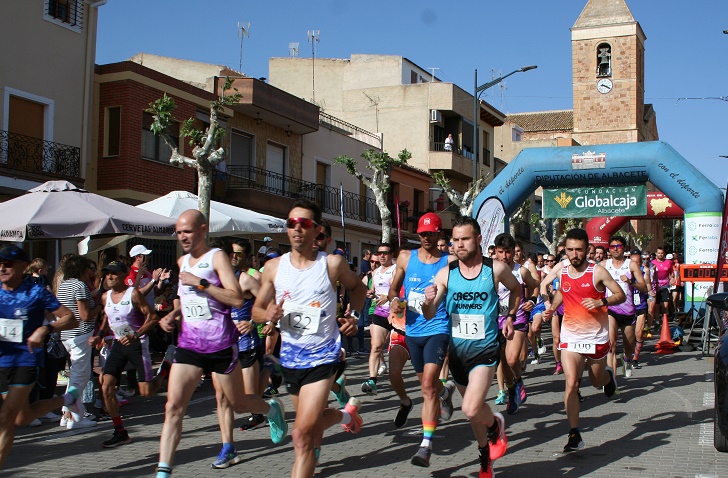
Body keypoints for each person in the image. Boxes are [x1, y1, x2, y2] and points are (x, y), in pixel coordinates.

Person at [154, 210, 287, 478]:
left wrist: (202, 283)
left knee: (237, 403)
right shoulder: (182, 261)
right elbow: (189, 299)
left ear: (203, 230)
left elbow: (236, 299)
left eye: (188, 232)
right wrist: (173, 314)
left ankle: (271, 408)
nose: (183, 238)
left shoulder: (217, 258)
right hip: (189, 345)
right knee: (173, 406)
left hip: (221, 347)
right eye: (179, 233)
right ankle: (163, 471)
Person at [252, 198, 366, 478]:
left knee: (302, 434)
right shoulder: (274, 268)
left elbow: (358, 288)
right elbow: (255, 310)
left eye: (304, 223)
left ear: (316, 230)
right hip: (291, 359)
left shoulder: (332, 264)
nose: (297, 228)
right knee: (312, 427)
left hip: (324, 357)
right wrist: (269, 314)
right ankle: (346, 416)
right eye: (292, 223)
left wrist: (353, 318)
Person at [421, 216, 519, 477]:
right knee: (473, 415)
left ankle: (496, 425)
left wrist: (509, 316)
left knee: (471, 408)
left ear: (478, 240)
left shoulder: (495, 269)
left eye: (465, 239)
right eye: (455, 240)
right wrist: (427, 301)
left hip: (485, 349)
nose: (459, 245)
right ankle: (485, 456)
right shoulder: (447, 273)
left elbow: (517, 290)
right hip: (457, 353)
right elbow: (430, 313)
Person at [542, 228, 624, 452]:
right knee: (571, 384)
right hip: (571, 337)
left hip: (596, 337)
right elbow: (563, 292)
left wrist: (601, 302)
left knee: (596, 382)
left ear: (587, 249)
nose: (574, 254)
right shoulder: (563, 271)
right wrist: (553, 308)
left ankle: (608, 377)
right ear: (565, 250)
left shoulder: (597, 272)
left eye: (579, 249)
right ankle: (574, 434)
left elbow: (621, 295)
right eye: (570, 249)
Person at [0, 245, 80, 469]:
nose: (2, 268)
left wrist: (45, 330)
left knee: (5, 419)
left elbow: (70, 319)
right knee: (22, 418)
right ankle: (67, 399)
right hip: (1, 362)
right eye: (0, 263)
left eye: (8, 264)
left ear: (23, 267)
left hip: (25, 362)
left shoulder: (36, 292)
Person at [388, 212, 456, 468]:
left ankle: (426, 445)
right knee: (430, 388)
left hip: (438, 327)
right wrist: (395, 301)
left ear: (439, 234)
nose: (426, 237)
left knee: (427, 385)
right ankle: (445, 391)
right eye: (422, 233)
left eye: (431, 233)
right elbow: (394, 290)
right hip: (413, 330)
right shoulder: (406, 257)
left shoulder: (449, 261)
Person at [97, 260, 167, 448]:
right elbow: (106, 316)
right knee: (106, 386)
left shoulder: (133, 294)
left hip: (137, 344)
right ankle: (120, 431)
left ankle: (166, 368)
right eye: (107, 274)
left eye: (113, 273)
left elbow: (152, 318)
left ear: (123, 275)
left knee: (147, 392)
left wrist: (135, 335)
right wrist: (101, 334)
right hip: (119, 345)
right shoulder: (105, 297)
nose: (109, 277)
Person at [492, 234, 540, 415]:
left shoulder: (521, 271)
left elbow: (535, 285)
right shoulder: (490, 270)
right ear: (495, 251)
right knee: (503, 361)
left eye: (508, 252)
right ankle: (512, 390)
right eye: (501, 252)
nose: (504, 256)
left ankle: (518, 381)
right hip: (496, 320)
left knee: (512, 359)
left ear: (514, 252)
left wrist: (533, 300)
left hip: (518, 318)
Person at [57, 255, 103, 429]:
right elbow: (85, 315)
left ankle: (67, 413)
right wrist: (99, 307)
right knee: (80, 376)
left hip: (67, 335)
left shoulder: (64, 285)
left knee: (75, 374)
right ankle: (76, 416)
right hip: (81, 334)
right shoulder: (79, 285)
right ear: (82, 269)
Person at [603, 237, 646, 381]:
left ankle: (627, 360)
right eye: (612, 246)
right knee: (612, 344)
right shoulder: (603, 265)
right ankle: (612, 380)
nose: (615, 248)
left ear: (624, 247)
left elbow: (644, 287)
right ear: (609, 248)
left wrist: (631, 282)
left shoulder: (631, 265)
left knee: (629, 346)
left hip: (628, 311)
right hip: (611, 309)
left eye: (618, 246)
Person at [361, 243, 396, 396]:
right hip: (379, 312)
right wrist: (369, 292)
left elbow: (401, 291)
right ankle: (372, 381)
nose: (382, 256)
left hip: (396, 314)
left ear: (391, 254)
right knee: (375, 346)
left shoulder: (396, 270)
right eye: (379, 253)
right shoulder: (375, 273)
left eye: (385, 253)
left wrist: (387, 296)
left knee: (394, 349)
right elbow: (370, 289)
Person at [125, 245, 166, 310]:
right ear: (138, 257)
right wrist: (153, 280)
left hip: (149, 312)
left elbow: (156, 293)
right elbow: (135, 295)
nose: (148, 257)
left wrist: (161, 280)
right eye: (146, 255)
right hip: (138, 314)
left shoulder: (148, 272)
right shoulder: (130, 272)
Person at [652, 247, 674, 321]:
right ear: (656, 253)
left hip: (665, 286)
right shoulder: (653, 263)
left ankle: (664, 321)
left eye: (662, 253)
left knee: (665, 306)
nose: (660, 254)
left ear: (664, 253)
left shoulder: (668, 262)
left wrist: (672, 279)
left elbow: (672, 273)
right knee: (657, 306)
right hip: (656, 286)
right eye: (659, 253)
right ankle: (657, 321)